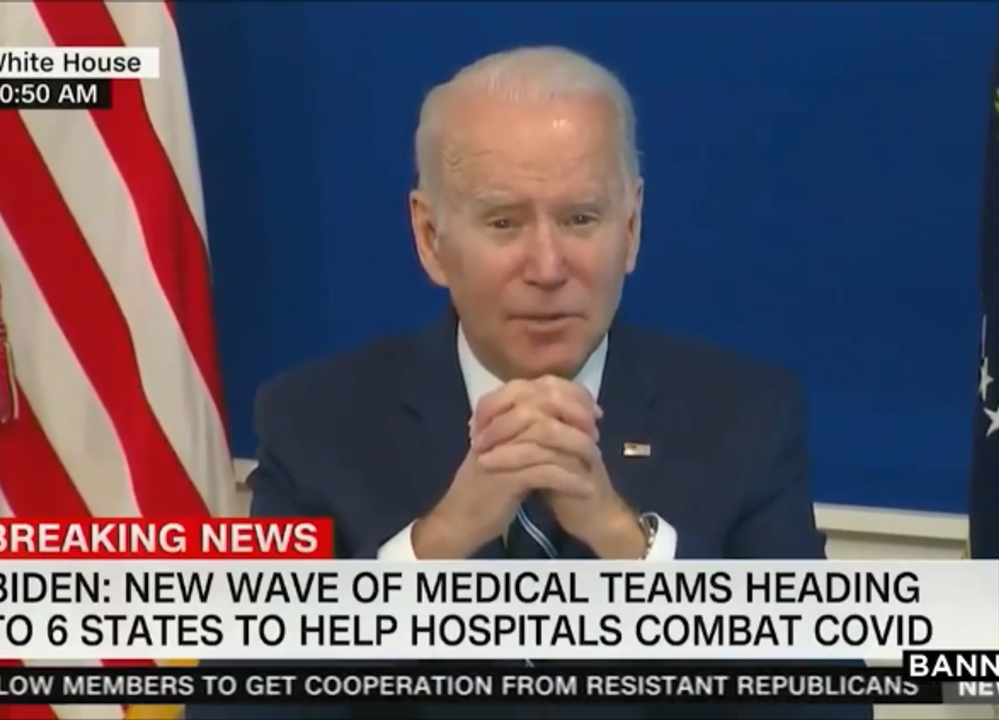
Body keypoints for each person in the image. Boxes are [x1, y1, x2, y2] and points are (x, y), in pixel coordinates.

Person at [186, 46, 867, 720]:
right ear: (430, 237)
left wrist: (627, 542)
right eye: (504, 222)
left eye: (580, 219)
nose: (547, 267)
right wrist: (436, 546)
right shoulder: (315, 423)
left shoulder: (746, 417)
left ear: (631, 227)